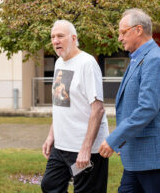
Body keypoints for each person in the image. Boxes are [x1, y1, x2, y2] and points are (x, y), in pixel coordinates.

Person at [99, 8, 160, 193]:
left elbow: (147, 108)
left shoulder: (155, 60)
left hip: (153, 161)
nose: (120, 38)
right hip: (136, 157)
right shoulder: (138, 58)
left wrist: (115, 139)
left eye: (123, 32)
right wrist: (124, 140)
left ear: (138, 30)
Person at [41, 20, 109, 193]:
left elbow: (98, 109)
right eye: (53, 37)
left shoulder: (87, 63)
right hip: (62, 146)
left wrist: (85, 149)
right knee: (50, 185)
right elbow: (60, 103)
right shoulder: (59, 63)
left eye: (60, 36)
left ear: (73, 38)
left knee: (86, 190)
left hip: (85, 149)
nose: (55, 41)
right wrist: (51, 136)